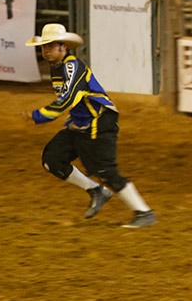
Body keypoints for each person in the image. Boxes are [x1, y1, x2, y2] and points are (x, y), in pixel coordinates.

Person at [21, 23, 156, 228]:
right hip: (81, 123)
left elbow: (67, 101)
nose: (46, 50)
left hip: (99, 121)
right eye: (44, 46)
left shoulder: (71, 67)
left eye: (51, 45)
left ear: (63, 47)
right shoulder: (58, 68)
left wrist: (38, 115)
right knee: (53, 159)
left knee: (105, 171)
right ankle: (96, 191)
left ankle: (144, 212)